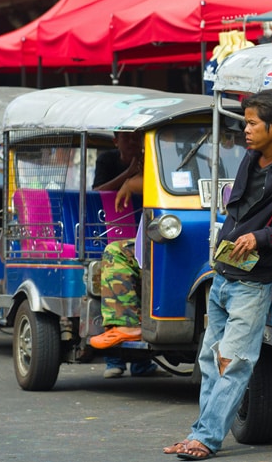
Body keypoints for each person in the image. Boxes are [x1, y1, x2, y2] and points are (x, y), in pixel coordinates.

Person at [163, 89, 272, 460]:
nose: (246, 130)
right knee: (209, 361)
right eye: (245, 122)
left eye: (252, 123)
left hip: (253, 282)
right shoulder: (250, 159)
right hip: (222, 272)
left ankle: (205, 438)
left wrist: (261, 236)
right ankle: (199, 433)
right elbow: (237, 209)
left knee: (233, 363)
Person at [91, 131, 156, 379]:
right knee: (112, 277)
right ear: (116, 141)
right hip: (109, 223)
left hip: (145, 226)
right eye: (126, 138)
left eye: (135, 138)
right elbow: (98, 190)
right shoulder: (107, 160)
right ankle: (113, 359)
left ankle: (142, 363)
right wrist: (128, 175)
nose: (131, 142)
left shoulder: (151, 157)